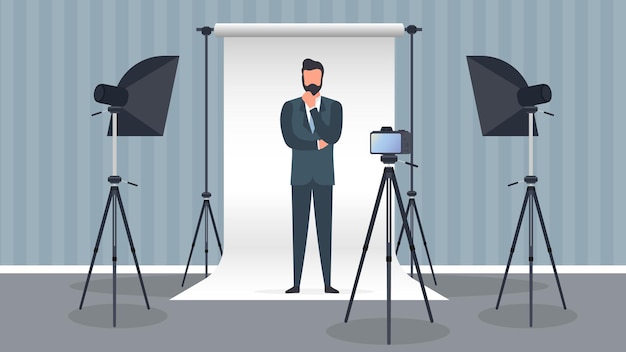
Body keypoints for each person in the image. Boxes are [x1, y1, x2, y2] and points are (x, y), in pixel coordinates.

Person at [280, 58, 343, 294]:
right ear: (302, 78)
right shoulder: (289, 107)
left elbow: (332, 135)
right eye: (308, 78)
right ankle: (296, 283)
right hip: (300, 177)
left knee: (325, 230)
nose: (312, 82)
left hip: (325, 176)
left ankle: (327, 283)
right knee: (299, 229)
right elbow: (291, 138)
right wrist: (317, 145)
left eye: (316, 78)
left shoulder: (334, 107)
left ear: (322, 79)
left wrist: (314, 110)